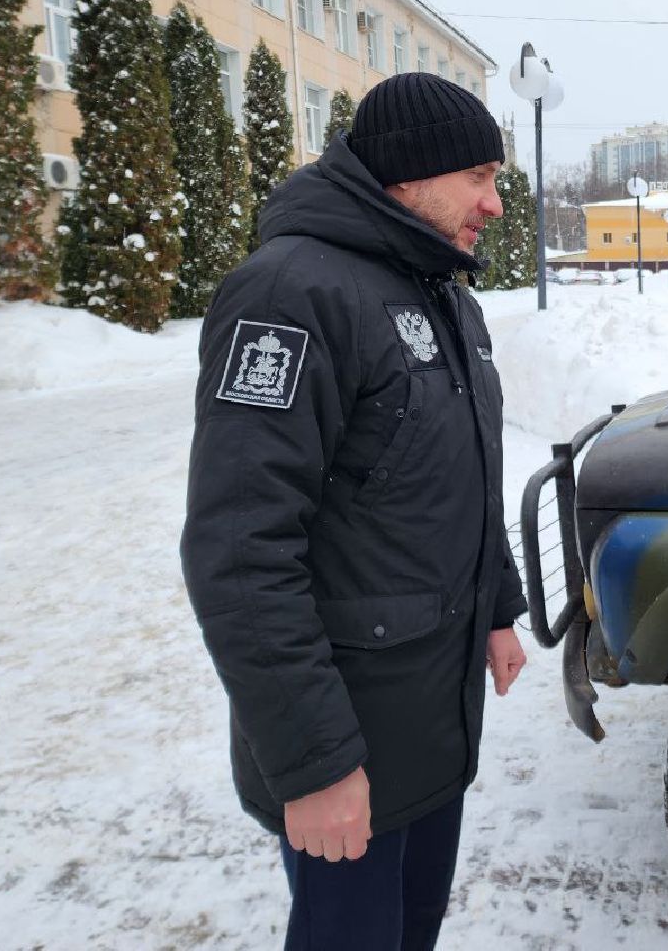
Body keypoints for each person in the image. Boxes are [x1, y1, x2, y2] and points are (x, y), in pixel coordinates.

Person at [180, 72, 528, 950]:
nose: (495, 202)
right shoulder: (289, 297)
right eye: (480, 176)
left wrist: (495, 609)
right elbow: (239, 549)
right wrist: (316, 764)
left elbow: (457, 473)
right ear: (411, 175)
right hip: (350, 737)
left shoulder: (441, 289)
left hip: (427, 721)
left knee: (412, 930)